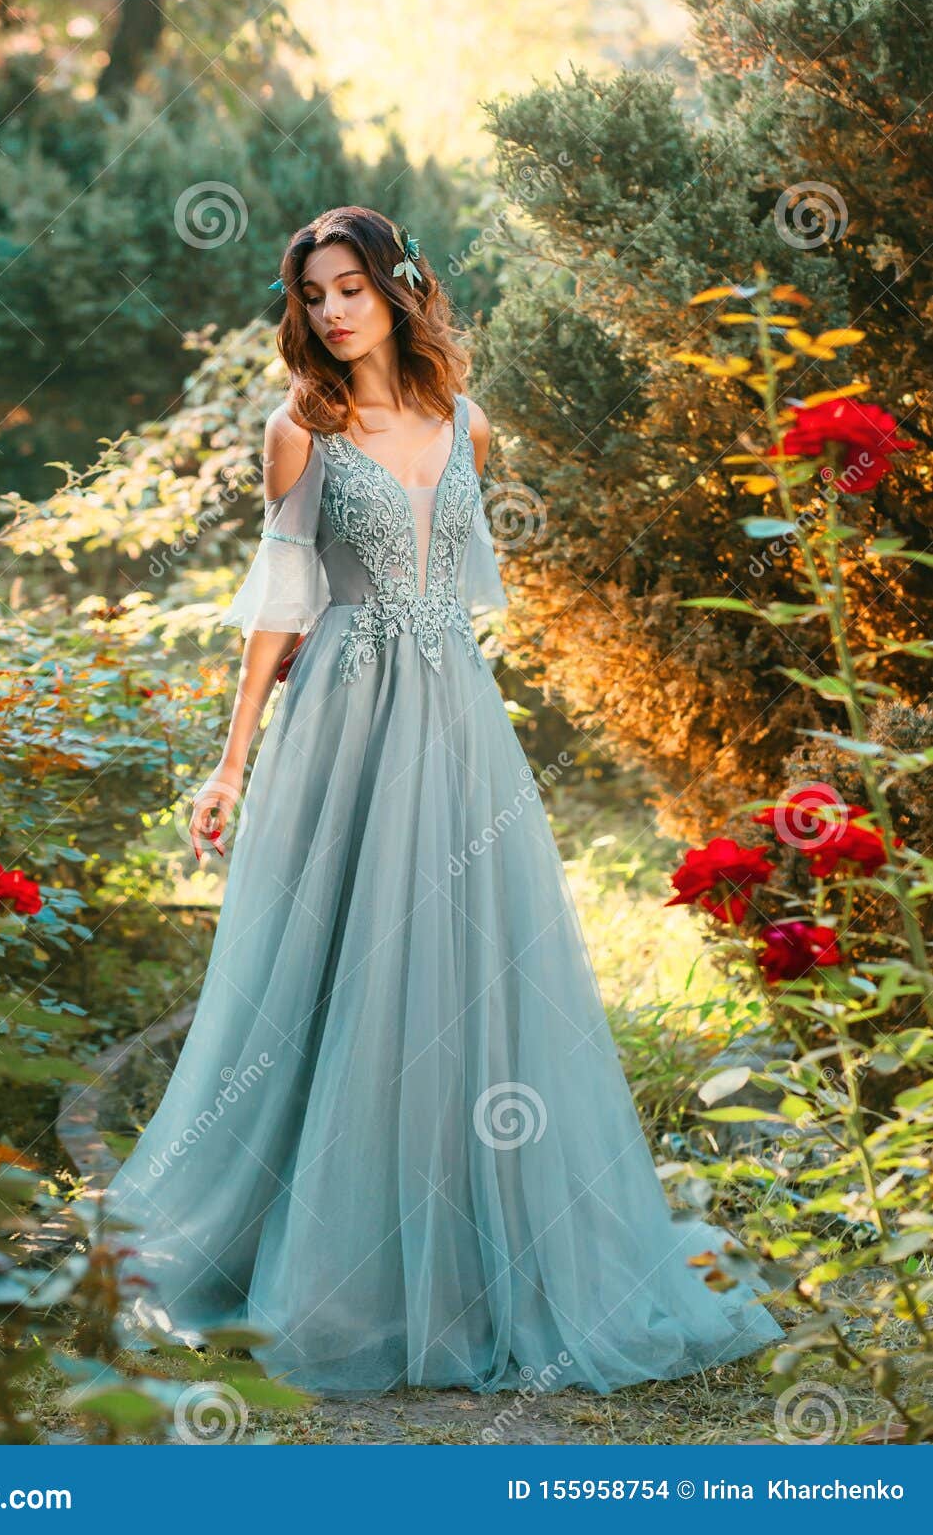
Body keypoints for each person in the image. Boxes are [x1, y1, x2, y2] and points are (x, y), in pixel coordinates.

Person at [104, 205, 784, 1395]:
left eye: (350, 287)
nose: (330, 311)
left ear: (397, 287)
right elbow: (279, 606)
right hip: (341, 712)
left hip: (455, 717)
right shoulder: (298, 430)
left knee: (472, 967)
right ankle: (319, 1258)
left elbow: (457, 588)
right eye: (312, 293)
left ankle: (478, 1256)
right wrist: (230, 762)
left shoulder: (465, 421)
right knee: (335, 969)